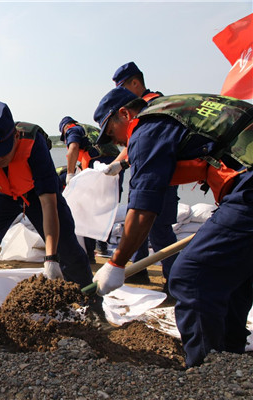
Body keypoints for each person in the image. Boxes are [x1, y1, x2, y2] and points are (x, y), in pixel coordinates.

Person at [92, 87, 253, 368]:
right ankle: (231, 360)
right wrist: (123, 162)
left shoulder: (146, 127)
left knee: (191, 276)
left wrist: (116, 264)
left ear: (125, 114)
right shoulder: (168, 111)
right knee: (232, 277)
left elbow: (143, 207)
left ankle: (208, 373)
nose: (115, 142)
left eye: (112, 132)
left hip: (249, 187)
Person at [0, 101, 93, 290]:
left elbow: (49, 204)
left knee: (67, 247)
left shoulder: (33, 143)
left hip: (35, 192)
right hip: (1, 192)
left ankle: (89, 299)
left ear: (15, 136)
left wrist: (50, 258)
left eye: (2, 150)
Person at [104, 61, 180, 285]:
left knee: (158, 227)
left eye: (123, 88)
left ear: (136, 83)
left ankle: (175, 280)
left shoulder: (154, 105)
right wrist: (119, 164)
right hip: (144, 172)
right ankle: (137, 269)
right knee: (135, 218)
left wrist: (119, 163)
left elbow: (146, 142)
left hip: (161, 175)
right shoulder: (136, 109)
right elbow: (135, 143)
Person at [58, 116, 123, 260]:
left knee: (87, 210)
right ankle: (102, 248)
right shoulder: (90, 129)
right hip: (116, 167)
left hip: (98, 170)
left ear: (64, 129)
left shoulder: (72, 129)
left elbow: (73, 148)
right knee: (106, 208)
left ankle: (88, 254)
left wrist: (70, 174)